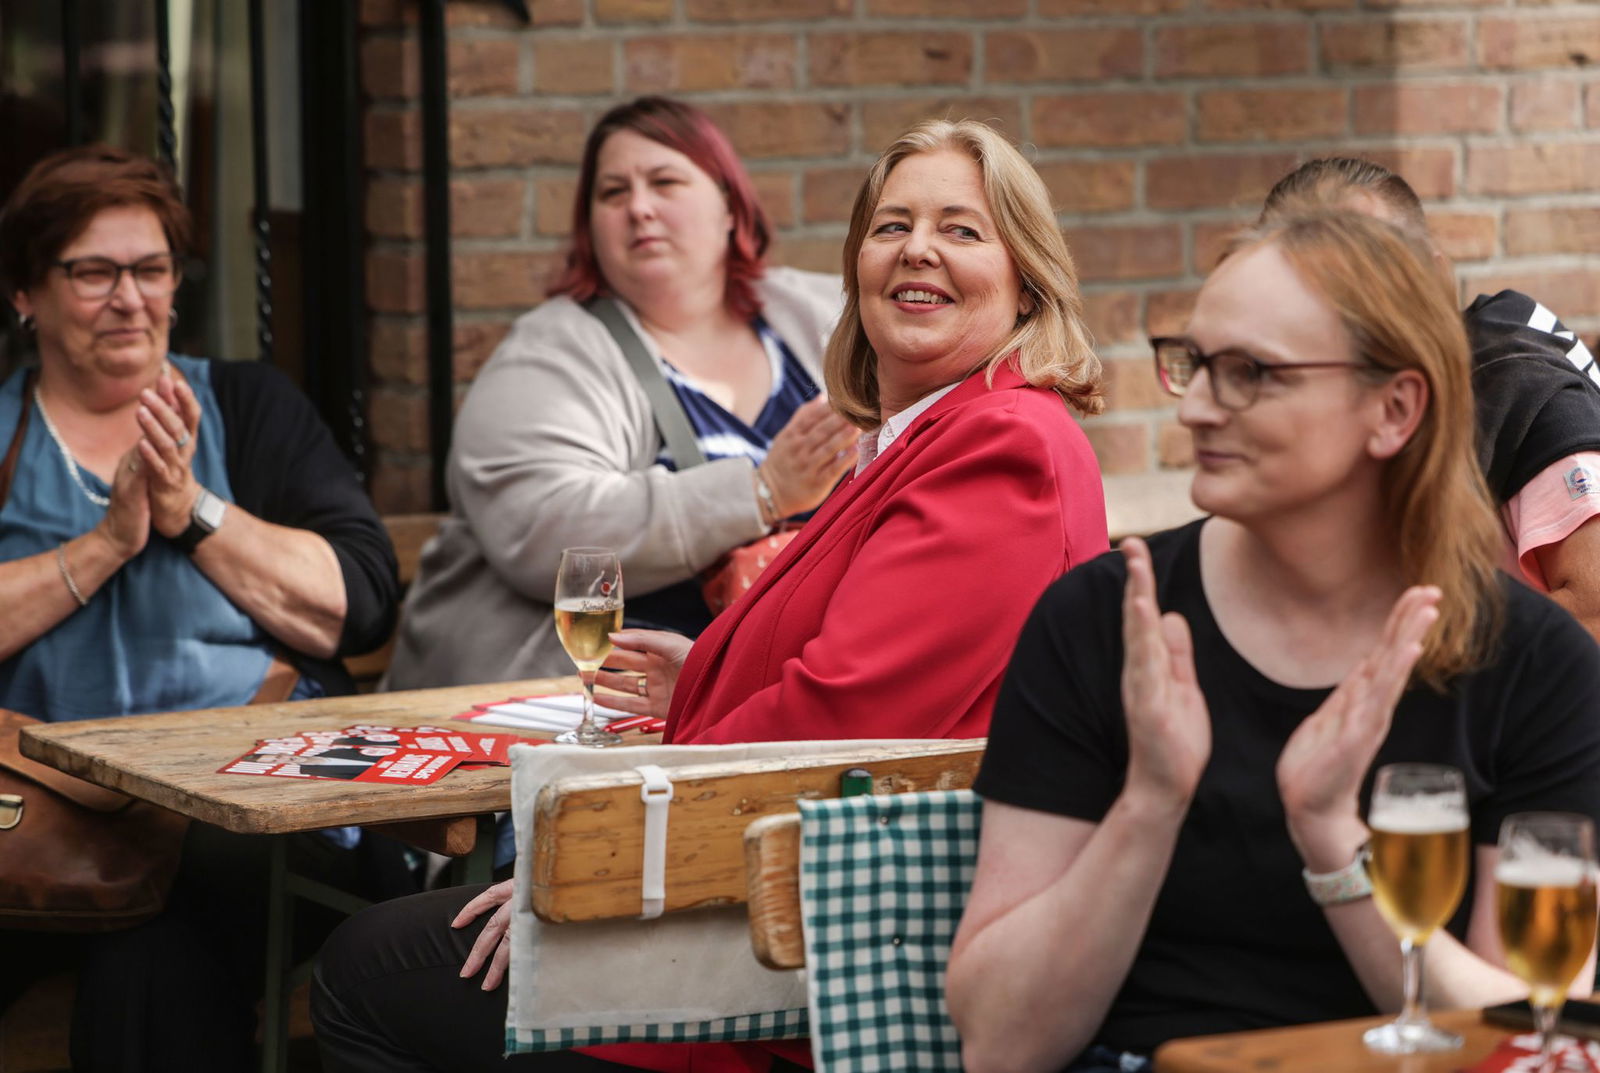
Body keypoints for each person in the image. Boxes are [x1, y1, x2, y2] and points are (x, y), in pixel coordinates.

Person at [312, 118, 1111, 1073]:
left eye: (962, 229)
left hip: (810, 963)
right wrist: (710, 671)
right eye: (891, 224)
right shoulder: (924, 433)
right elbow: (861, 673)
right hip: (776, 900)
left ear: (1027, 278)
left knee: (365, 969)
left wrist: (585, 876)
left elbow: (845, 720)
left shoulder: (1001, 445)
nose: (919, 248)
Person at [946, 210, 1600, 1073]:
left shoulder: (1537, 665)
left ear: (1394, 407)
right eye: (1197, 365)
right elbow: (1001, 1043)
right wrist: (1149, 804)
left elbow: (1535, 1039)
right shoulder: (1104, 622)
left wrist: (1333, 841)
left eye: (1252, 373)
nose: (1199, 409)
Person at [0, 144, 404, 1071]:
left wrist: (191, 511)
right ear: (26, 292)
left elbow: (361, 604)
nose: (129, 297)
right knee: (146, 947)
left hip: (247, 804)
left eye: (150, 269)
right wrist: (102, 546)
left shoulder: (248, 408)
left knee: (161, 936)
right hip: (44, 817)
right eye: (93, 271)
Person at [385, 96, 858, 690]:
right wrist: (762, 491)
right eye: (612, 193)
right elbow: (545, 531)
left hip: (777, 687)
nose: (639, 207)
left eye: (665, 182)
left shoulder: (825, 317)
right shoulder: (548, 353)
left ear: (731, 208)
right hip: (560, 707)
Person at [1259, 157, 1600, 639]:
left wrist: (1412, 675)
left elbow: (1593, 607)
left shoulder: (1513, 384)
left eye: (1368, 274)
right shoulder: (1304, 406)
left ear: (1435, 277)